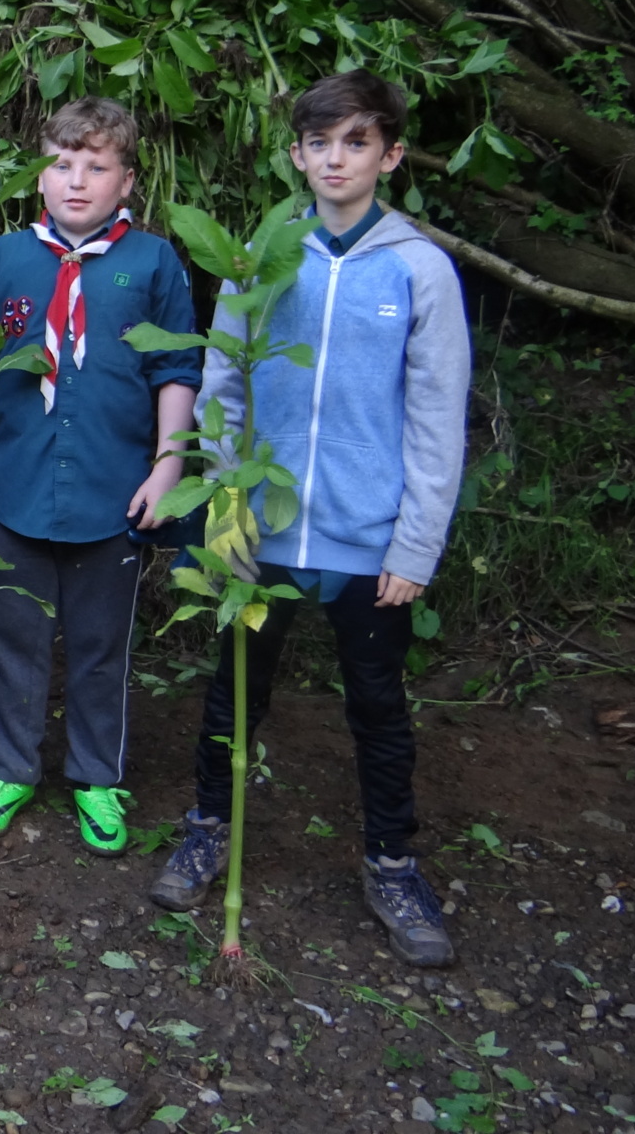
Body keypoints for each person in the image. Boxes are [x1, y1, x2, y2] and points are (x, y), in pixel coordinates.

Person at [149, 69, 470, 968]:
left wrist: (414, 544)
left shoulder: (419, 271)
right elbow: (224, 386)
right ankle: (209, 825)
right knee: (233, 693)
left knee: (376, 705)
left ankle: (392, 863)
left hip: (368, 542)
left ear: (390, 155)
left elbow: (437, 422)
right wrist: (219, 511)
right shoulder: (266, 254)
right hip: (261, 531)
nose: (336, 159)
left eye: (356, 142)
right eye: (318, 143)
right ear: (296, 155)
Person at [0, 98, 199, 855]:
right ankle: (11, 767)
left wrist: (167, 465)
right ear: (38, 175)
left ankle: (96, 777)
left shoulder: (153, 263)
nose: (76, 180)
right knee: (12, 632)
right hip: (15, 484)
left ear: (126, 182)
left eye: (96, 166)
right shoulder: (5, 257)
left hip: (112, 490)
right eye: (61, 163)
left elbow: (175, 368)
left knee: (102, 641)